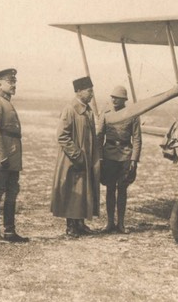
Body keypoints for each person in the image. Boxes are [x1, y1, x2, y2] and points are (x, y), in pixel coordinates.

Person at [50, 76, 101, 237]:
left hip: (85, 160)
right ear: (78, 91)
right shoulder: (70, 110)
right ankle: (71, 226)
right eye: (89, 90)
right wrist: (77, 155)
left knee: (84, 191)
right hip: (72, 161)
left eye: (92, 90)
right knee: (72, 192)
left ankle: (80, 223)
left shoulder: (88, 111)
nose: (92, 94)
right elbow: (62, 136)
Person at [0, 68, 28, 243]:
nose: (14, 85)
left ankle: (9, 231)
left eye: (15, 81)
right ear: (0, 83)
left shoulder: (6, 102)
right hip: (1, 157)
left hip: (12, 156)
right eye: (11, 82)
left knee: (12, 192)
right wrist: (2, 156)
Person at [99, 85, 142, 234]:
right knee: (110, 188)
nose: (113, 100)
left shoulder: (133, 114)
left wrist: (134, 160)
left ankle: (121, 224)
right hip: (109, 155)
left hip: (125, 155)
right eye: (112, 97)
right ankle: (109, 222)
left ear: (124, 100)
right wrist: (99, 157)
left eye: (117, 98)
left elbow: (137, 139)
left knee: (122, 189)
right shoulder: (105, 113)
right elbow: (100, 136)